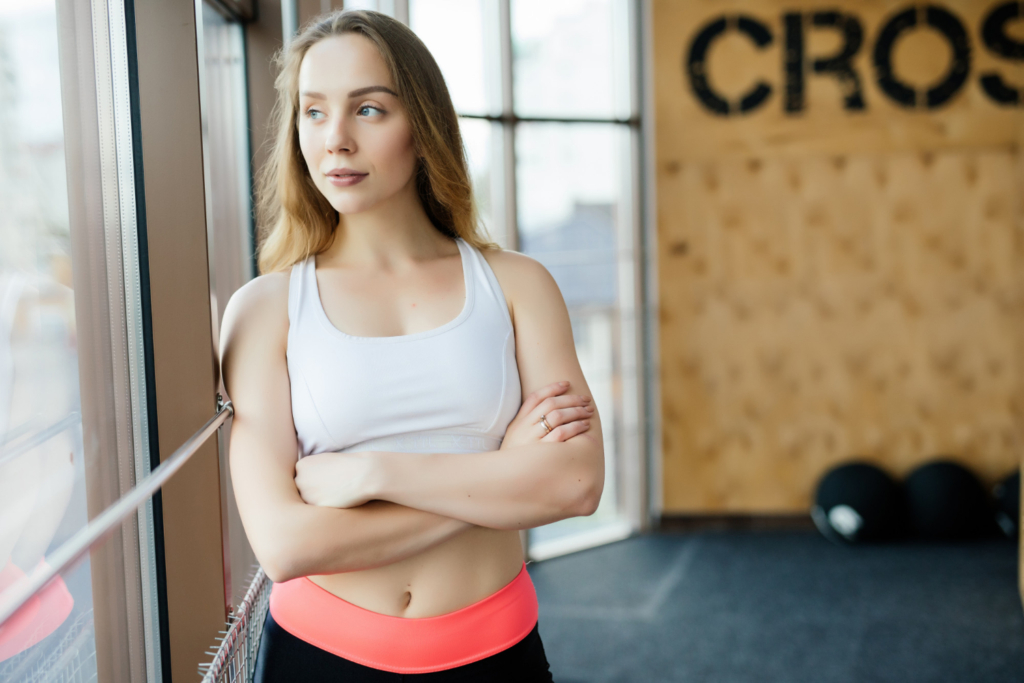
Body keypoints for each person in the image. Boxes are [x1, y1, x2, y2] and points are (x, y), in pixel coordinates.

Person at [219, 10, 604, 681]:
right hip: (319, 656)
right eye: (314, 112)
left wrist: (376, 473)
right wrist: (501, 474)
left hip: (494, 650)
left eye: (368, 109)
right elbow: (286, 544)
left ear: (423, 129)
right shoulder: (265, 310)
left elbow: (575, 483)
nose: (335, 139)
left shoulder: (517, 285)